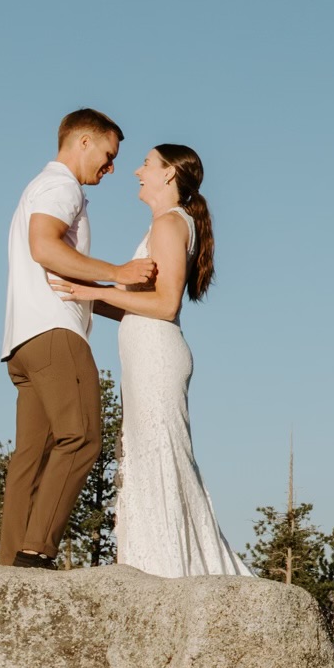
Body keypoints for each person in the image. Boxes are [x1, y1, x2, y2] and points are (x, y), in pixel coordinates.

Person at [55, 143, 247, 577]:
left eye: (146, 164)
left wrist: (92, 290)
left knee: (160, 456)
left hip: (158, 356)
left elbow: (165, 305)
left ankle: (172, 569)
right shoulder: (167, 224)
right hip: (146, 354)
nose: (137, 172)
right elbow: (136, 307)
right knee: (144, 456)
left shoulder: (169, 224)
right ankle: (149, 563)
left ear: (168, 174)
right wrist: (81, 296)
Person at [0, 109, 153, 568]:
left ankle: (10, 565)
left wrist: (122, 302)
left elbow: (60, 272)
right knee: (82, 438)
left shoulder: (39, 186)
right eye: (108, 154)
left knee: (31, 457)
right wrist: (118, 272)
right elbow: (44, 247)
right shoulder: (61, 186)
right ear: (84, 141)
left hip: (24, 341)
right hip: (55, 335)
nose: (111, 167)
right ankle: (35, 552)